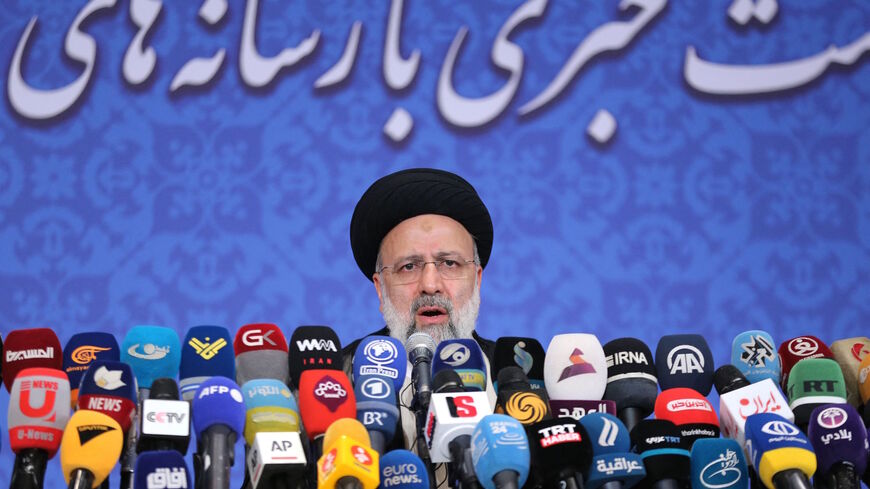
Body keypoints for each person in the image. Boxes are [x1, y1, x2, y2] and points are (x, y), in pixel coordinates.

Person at [342, 168, 498, 468]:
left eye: (449, 263)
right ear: (380, 288)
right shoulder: (341, 378)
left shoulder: (518, 376)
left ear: (477, 280)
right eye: (409, 267)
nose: (430, 284)